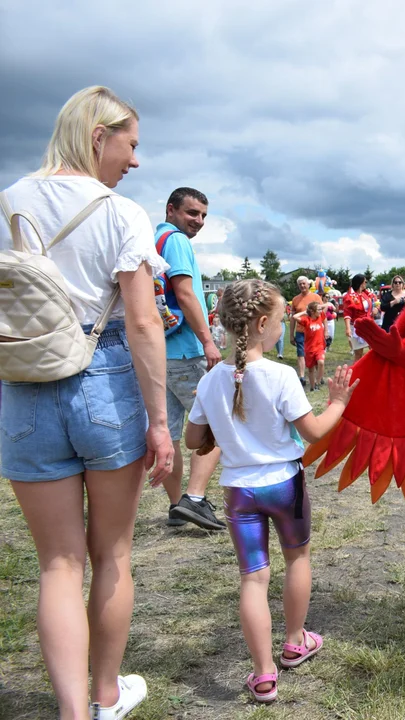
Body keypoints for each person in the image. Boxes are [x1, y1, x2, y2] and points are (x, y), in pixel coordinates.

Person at [0, 85, 173, 720]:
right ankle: (106, 696)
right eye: (130, 144)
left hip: (24, 387)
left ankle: (72, 712)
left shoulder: (10, 201)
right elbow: (144, 323)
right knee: (112, 555)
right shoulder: (120, 212)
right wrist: (160, 421)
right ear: (99, 136)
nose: (134, 161)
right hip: (102, 383)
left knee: (57, 565)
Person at [183, 279, 358, 703]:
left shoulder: (210, 381)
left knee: (252, 579)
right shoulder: (280, 375)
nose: (285, 328)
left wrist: (215, 422)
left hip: (239, 492)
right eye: (281, 321)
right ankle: (296, 641)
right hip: (284, 485)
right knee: (297, 558)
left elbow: (191, 440)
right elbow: (313, 431)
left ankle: (263, 675)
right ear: (263, 323)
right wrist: (337, 401)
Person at [155, 187, 225, 530]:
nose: (198, 221)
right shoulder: (177, 241)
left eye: (203, 216)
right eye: (192, 213)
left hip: (157, 352)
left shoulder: (153, 239)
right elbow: (185, 292)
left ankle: (175, 506)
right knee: (216, 426)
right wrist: (208, 341)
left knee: (167, 434)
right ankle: (194, 498)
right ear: (172, 209)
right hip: (185, 349)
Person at [289, 276, 319, 388]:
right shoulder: (295, 299)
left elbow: (322, 313)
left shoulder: (315, 297)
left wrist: (324, 330)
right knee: (301, 353)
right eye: (300, 284)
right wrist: (291, 334)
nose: (302, 286)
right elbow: (292, 318)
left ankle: (317, 378)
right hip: (301, 331)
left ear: (308, 284)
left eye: (304, 283)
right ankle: (302, 377)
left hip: (314, 331)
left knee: (314, 353)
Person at [341, 274, 377, 361]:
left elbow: (373, 303)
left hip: (368, 325)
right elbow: (347, 314)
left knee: (374, 350)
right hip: (357, 327)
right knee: (358, 354)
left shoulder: (366, 294)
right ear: (360, 283)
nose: (366, 284)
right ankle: (356, 373)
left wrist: (375, 309)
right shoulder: (349, 297)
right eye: (365, 282)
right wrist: (348, 328)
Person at [296, 301, 327, 390]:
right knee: (311, 369)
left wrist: (325, 305)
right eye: (318, 309)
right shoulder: (306, 320)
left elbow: (326, 306)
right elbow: (294, 317)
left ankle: (317, 382)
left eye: (321, 309)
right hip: (309, 348)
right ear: (312, 311)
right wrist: (305, 312)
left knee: (321, 362)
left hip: (319, 347)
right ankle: (313, 387)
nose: (321, 311)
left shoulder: (320, 316)